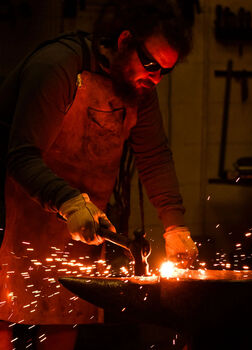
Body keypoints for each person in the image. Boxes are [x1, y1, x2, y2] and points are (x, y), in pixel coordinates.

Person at [0, 0, 198, 348]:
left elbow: (153, 157)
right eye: (151, 64)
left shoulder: (139, 89)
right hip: (10, 217)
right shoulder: (58, 67)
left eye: (164, 71)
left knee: (59, 328)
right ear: (124, 41)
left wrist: (174, 224)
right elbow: (20, 155)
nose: (154, 78)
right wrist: (70, 202)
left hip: (76, 227)